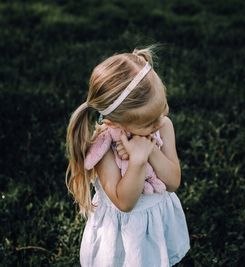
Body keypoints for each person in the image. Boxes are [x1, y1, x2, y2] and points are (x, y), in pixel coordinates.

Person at [65, 46, 190, 266]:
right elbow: (125, 202)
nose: (160, 120)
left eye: (163, 107)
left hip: (156, 222)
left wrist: (150, 150)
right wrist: (137, 161)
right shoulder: (105, 148)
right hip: (124, 234)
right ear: (115, 122)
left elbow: (172, 182)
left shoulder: (163, 126)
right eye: (149, 122)